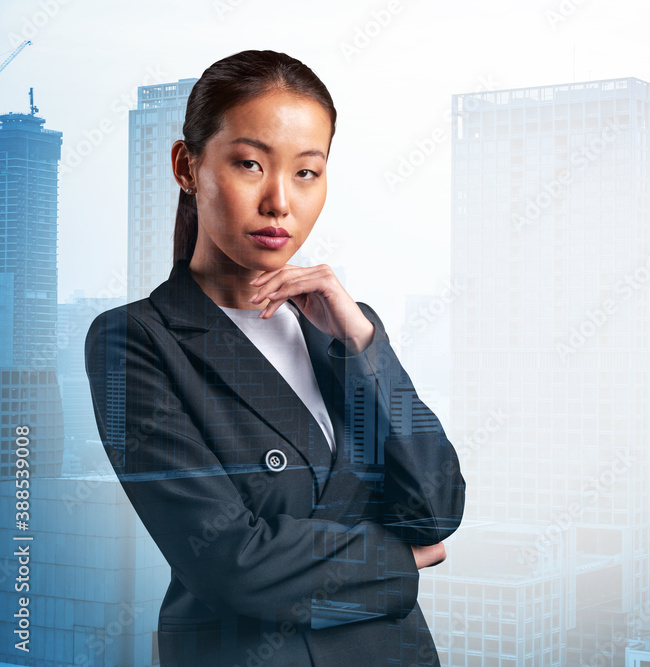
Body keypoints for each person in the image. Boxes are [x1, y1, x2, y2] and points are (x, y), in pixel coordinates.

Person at [84, 49, 465, 666]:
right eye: (250, 164)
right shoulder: (136, 340)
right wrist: (399, 560)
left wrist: (363, 345)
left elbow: (435, 508)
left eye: (306, 172)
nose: (279, 201)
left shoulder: (344, 330)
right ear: (187, 166)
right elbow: (232, 565)